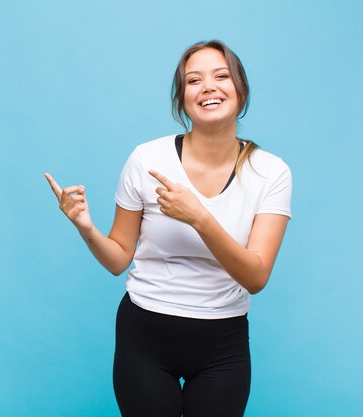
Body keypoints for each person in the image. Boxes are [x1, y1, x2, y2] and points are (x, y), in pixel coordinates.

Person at [44, 40, 292, 417]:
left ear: (240, 89)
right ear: (183, 99)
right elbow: (117, 259)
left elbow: (256, 276)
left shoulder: (271, 172)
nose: (208, 86)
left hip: (222, 343)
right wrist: (85, 227)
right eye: (194, 80)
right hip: (145, 335)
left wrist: (200, 218)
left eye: (221, 76)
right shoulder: (147, 159)